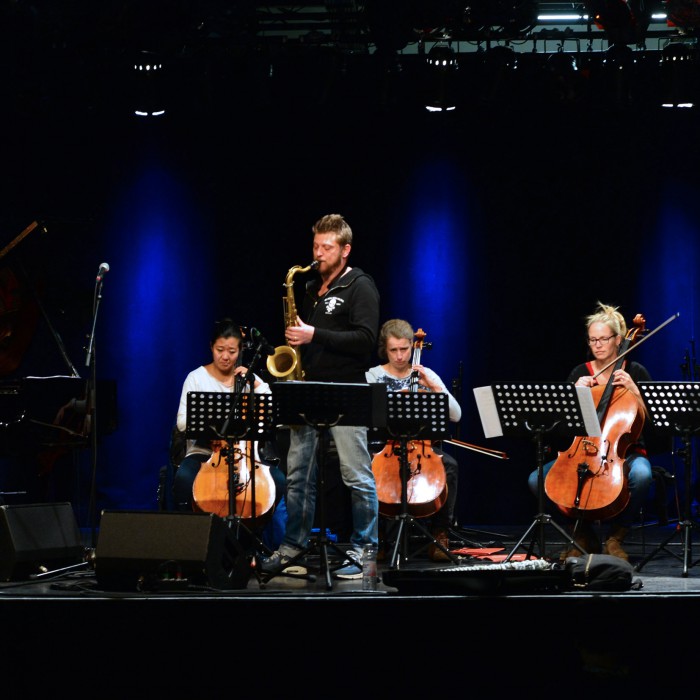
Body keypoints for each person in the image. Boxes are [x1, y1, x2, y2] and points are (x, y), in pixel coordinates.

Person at [260, 213, 381, 580]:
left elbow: (365, 340)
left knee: (355, 474)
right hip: (306, 389)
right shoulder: (311, 288)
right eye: (315, 246)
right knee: (298, 475)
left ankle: (365, 549)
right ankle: (293, 545)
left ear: (345, 250)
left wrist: (315, 335)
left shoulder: (360, 286)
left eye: (326, 247)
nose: (318, 254)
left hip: (346, 391)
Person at [527, 301, 653, 562]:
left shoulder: (635, 371)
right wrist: (574, 394)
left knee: (642, 475)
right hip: (581, 451)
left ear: (618, 340)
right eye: (592, 339)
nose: (597, 345)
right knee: (537, 480)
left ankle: (616, 537)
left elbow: (654, 423)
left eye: (603, 339)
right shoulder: (579, 373)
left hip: (623, 452)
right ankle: (583, 536)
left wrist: (635, 390)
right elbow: (561, 428)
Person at [173, 318, 287, 549]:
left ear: (240, 351)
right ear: (211, 348)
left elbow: (269, 410)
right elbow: (182, 423)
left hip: (244, 455)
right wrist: (212, 428)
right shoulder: (196, 378)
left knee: (278, 481)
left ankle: (257, 544)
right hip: (205, 452)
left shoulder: (246, 380)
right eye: (220, 350)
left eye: (232, 351)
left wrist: (254, 382)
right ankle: (192, 544)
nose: (225, 357)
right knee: (184, 479)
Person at [366, 318, 462, 562]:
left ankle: (440, 533)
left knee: (449, 465)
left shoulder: (426, 374)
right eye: (393, 350)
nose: (399, 356)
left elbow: (456, 414)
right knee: (363, 469)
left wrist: (435, 387)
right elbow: (364, 416)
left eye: (405, 349)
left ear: (412, 346)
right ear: (384, 350)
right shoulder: (373, 376)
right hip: (383, 447)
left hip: (421, 449)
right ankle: (376, 540)